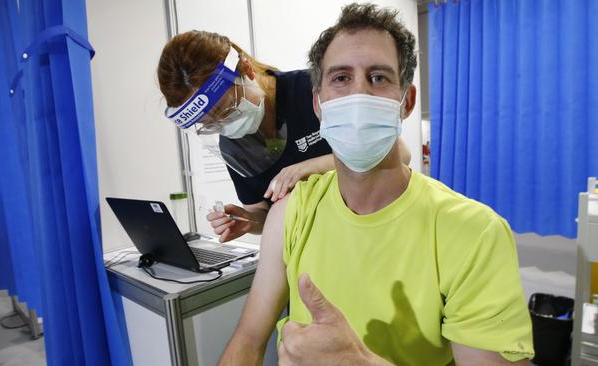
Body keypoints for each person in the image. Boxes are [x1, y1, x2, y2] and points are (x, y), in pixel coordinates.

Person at [219, 3, 534, 366]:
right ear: (318, 105)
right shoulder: (292, 212)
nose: (359, 96)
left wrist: (360, 362)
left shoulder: (475, 233)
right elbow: (246, 341)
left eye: (379, 78)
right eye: (340, 78)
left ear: (407, 102)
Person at [157, 30, 413, 242]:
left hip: (375, 228)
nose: (225, 125)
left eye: (226, 109)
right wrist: (247, 222)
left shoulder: (311, 90)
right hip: (312, 249)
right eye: (211, 124)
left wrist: (313, 166)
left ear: (245, 69)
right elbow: (262, 212)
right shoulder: (234, 146)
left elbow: (401, 154)